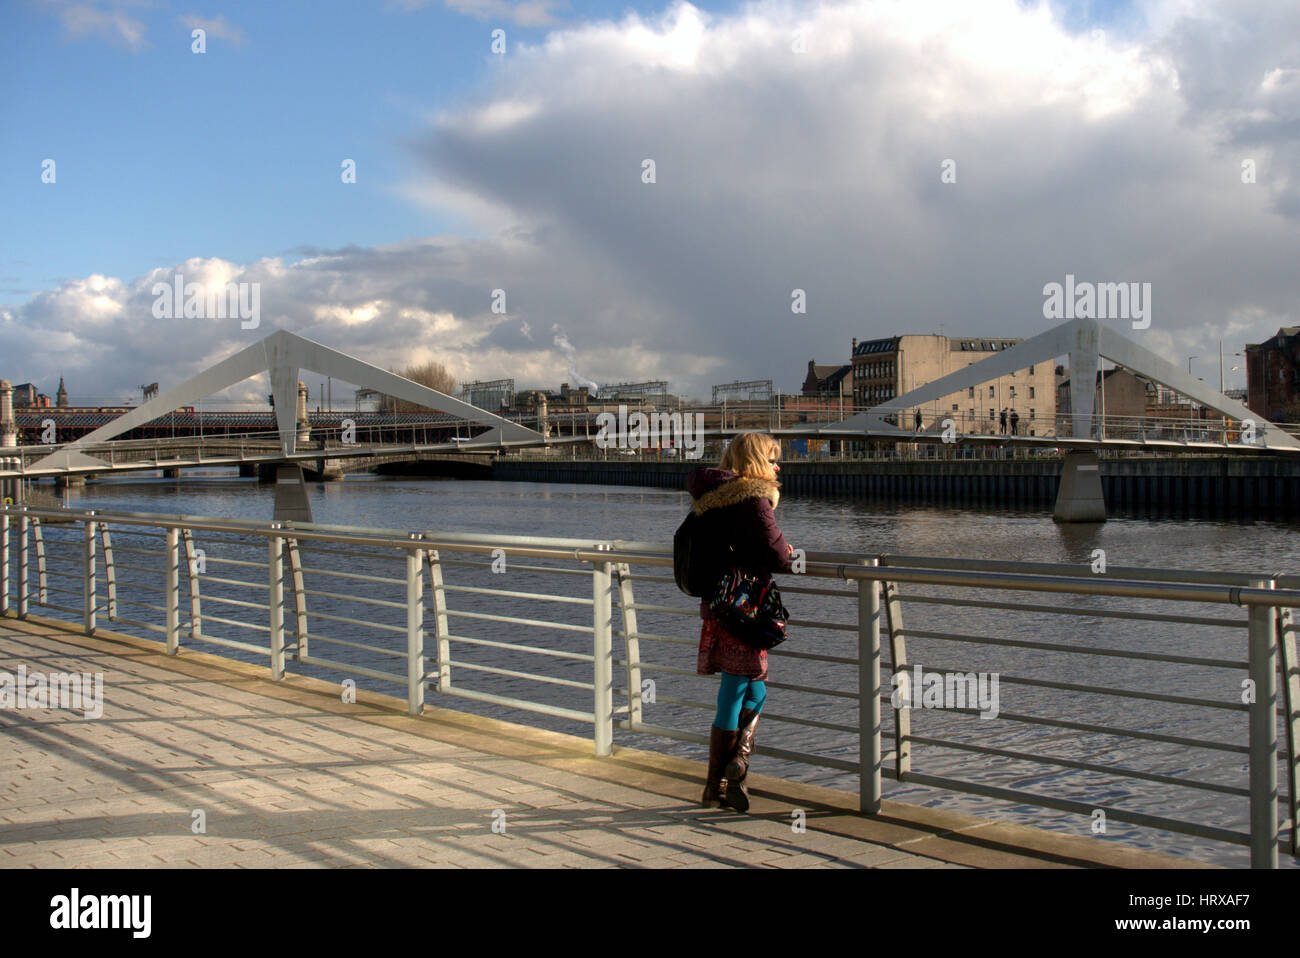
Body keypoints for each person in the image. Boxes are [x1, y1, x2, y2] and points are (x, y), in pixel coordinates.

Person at [686, 432, 793, 812]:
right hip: (746, 607)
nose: (778, 466)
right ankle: (738, 764)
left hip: (718, 605)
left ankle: (717, 786)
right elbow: (778, 554)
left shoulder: (710, 500)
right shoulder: (753, 498)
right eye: (772, 458)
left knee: (737, 689)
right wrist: (790, 550)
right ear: (756, 462)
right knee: (750, 690)